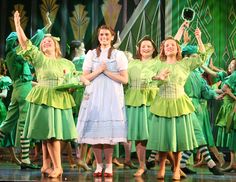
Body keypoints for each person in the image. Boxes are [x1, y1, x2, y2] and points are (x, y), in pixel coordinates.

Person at [13, 11, 89, 178]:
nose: (46, 43)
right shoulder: (40, 59)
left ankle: (58, 167)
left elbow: (73, 79)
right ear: (41, 47)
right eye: (44, 42)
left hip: (59, 98)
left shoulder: (67, 63)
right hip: (43, 96)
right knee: (44, 134)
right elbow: (26, 45)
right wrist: (18, 26)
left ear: (56, 46)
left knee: (53, 134)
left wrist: (78, 83)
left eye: (49, 41)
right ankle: (46, 165)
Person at [148, 25, 213, 180]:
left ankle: (177, 168)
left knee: (178, 139)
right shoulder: (158, 63)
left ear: (178, 49)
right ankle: (162, 167)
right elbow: (148, 76)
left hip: (179, 103)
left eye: (173, 45)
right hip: (162, 103)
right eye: (167, 45)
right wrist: (158, 78)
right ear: (163, 50)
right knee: (163, 138)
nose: (170, 47)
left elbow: (202, 56)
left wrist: (198, 38)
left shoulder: (185, 63)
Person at [0, 12, 53, 169]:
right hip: (23, 89)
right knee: (24, 123)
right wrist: (45, 28)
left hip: (19, 88)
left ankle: (25, 159)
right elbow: (32, 42)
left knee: (8, 123)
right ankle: (25, 159)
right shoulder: (15, 53)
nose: (20, 43)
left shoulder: (10, 54)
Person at [76, 25, 128, 177]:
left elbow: (124, 79)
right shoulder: (91, 54)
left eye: (107, 35)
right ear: (98, 37)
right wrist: (99, 70)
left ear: (112, 37)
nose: (103, 37)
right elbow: (84, 77)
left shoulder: (119, 55)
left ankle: (110, 165)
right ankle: (99, 165)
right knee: (95, 135)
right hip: (94, 96)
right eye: (101, 35)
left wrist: (106, 71)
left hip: (112, 96)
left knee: (108, 135)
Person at [179, 43, 223, 175]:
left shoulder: (198, 74)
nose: (196, 59)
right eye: (193, 56)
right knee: (197, 136)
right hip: (185, 106)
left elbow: (206, 91)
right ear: (185, 58)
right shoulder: (182, 71)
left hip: (197, 107)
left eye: (197, 57)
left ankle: (181, 164)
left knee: (194, 138)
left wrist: (215, 95)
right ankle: (211, 163)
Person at [125, 36, 159, 176]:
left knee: (159, 133)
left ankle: (175, 165)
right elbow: (123, 79)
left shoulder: (158, 62)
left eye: (148, 46)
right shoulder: (131, 63)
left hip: (152, 99)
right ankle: (142, 165)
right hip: (134, 99)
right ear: (138, 49)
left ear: (154, 49)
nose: (145, 48)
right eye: (143, 46)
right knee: (139, 135)